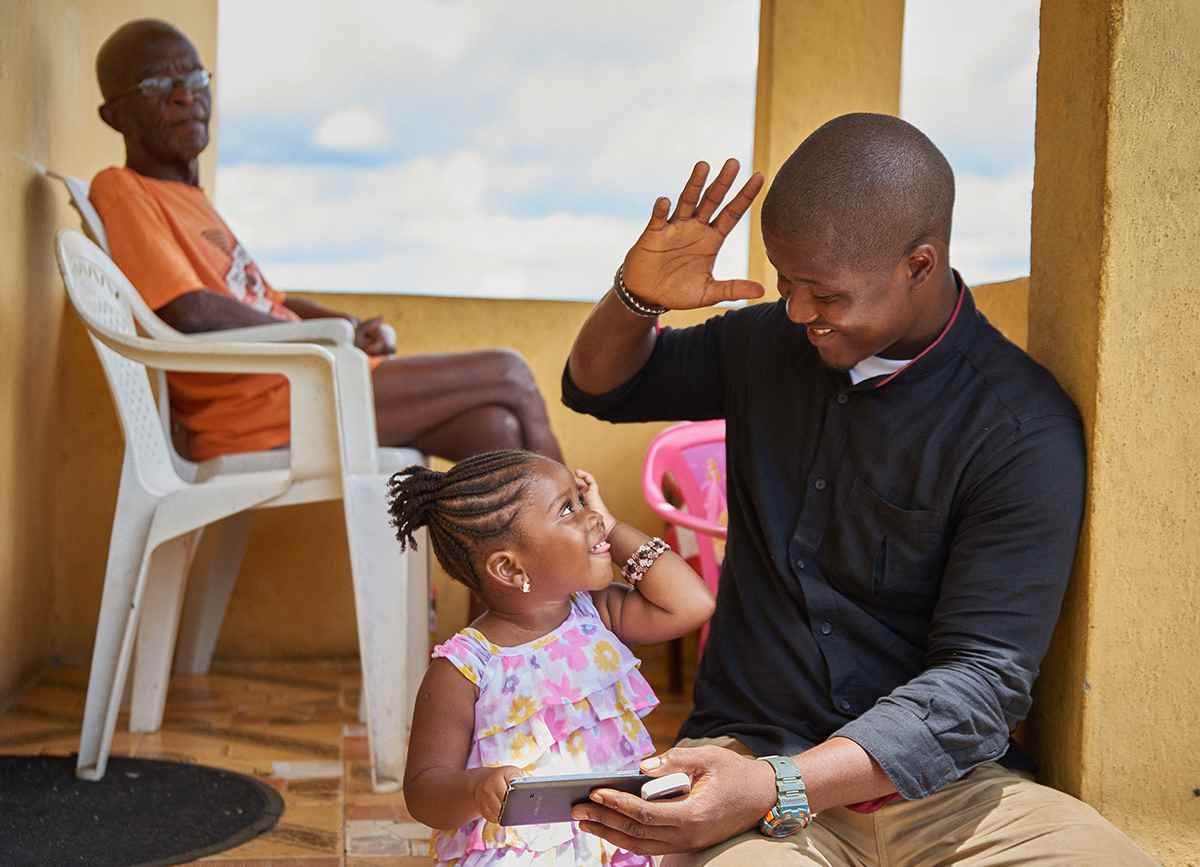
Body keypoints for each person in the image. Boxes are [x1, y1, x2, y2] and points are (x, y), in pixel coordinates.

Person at [562, 114, 1153, 864]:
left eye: (825, 293)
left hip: (949, 793)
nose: (799, 311)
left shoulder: (1018, 427)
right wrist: (635, 298)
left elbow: (982, 681)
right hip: (744, 758)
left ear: (919, 265)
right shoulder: (767, 343)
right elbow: (600, 387)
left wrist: (782, 782)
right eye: (785, 283)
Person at [90, 19, 562, 463]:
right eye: (156, 85)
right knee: (508, 373)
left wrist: (349, 326)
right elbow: (188, 311)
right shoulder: (122, 188)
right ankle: (590, 536)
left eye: (194, 78)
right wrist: (329, 338)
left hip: (303, 383)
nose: (183, 96)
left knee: (494, 431)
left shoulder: (192, 200)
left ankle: (537, 549)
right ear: (115, 117)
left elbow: (270, 303)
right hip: (258, 410)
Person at [388, 449, 715, 865]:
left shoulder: (596, 613)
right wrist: (476, 788)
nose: (590, 515)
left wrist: (609, 528)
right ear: (510, 570)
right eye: (567, 509)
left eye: (581, 502)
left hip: (613, 847)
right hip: (518, 854)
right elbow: (423, 791)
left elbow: (692, 603)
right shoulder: (463, 669)